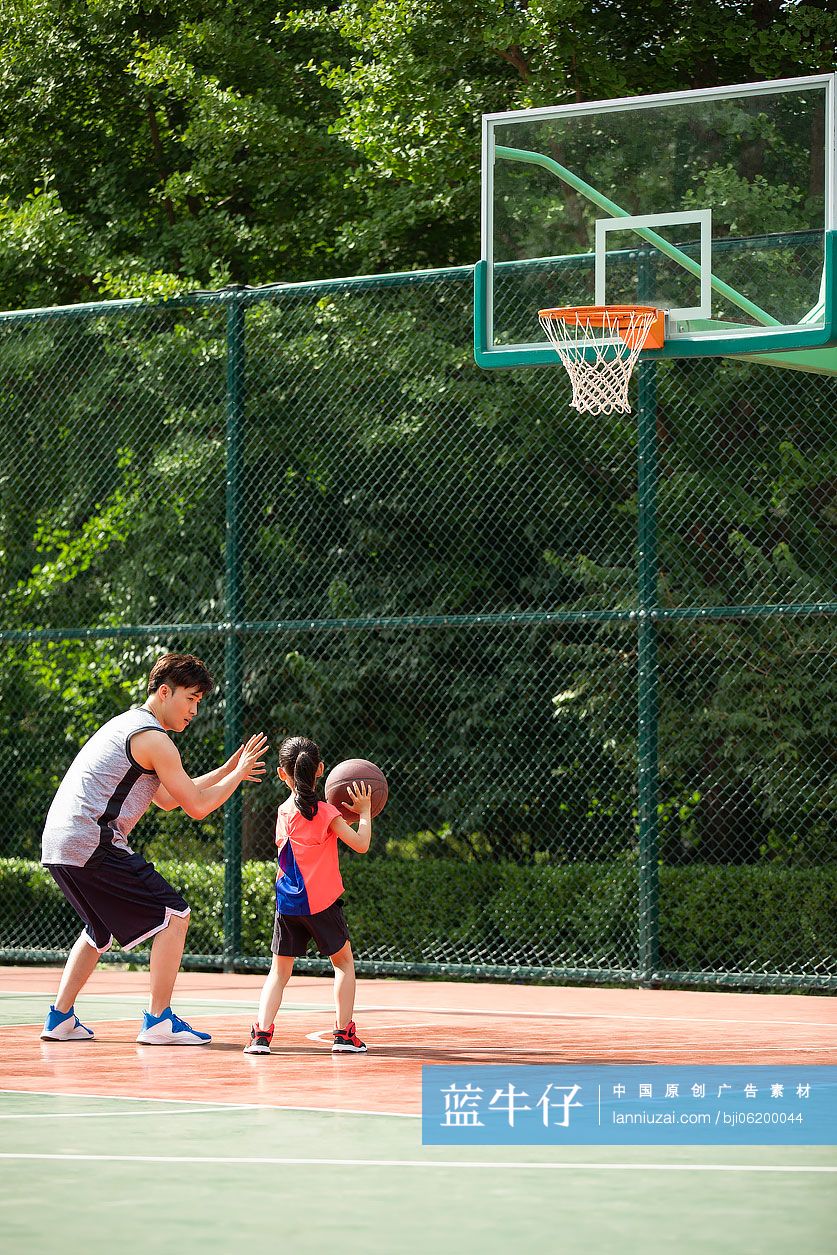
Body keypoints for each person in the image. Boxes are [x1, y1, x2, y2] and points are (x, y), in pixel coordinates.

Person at [40, 652, 266, 1046]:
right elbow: (196, 807)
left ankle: (60, 1017)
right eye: (190, 698)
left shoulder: (129, 725)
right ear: (165, 692)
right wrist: (239, 776)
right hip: (91, 839)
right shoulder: (154, 738)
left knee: (99, 930)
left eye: (199, 701)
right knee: (175, 915)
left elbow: (166, 797)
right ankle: (159, 1020)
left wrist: (230, 771)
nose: (194, 709)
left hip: (59, 841)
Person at [243, 735, 371, 1056]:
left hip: (287, 905)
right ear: (321, 770)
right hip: (323, 903)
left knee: (279, 971)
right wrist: (365, 812)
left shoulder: (282, 813)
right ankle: (343, 1035)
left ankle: (261, 1035)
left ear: (282, 774)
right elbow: (361, 844)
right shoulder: (326, 813)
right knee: (343, 964)